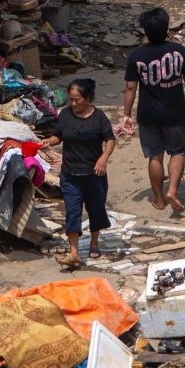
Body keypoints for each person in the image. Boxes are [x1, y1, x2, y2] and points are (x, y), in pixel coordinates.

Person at [118, 6, 185, 213]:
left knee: (155, 155)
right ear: (166, 28)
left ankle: (159, 200)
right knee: (178, 151)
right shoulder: (179, 52)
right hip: (174, 113)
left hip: (148, 114)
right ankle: (172, 190)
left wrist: (126, 115)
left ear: (146, 31)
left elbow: (130, 87)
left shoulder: (137, 55)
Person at [48, 77, 115, 268]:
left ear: (87, 99)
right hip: (70, 174)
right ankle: (74, 253)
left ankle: (94, 242)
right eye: (71, 100)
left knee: (96, 209)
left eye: (77, 100)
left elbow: (110, 139)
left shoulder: (99, 117)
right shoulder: (66, 115)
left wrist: (104, 157)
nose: (74, 104)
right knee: (72, 211)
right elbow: (58, 135)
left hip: (94, 174)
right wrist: (48, 142)